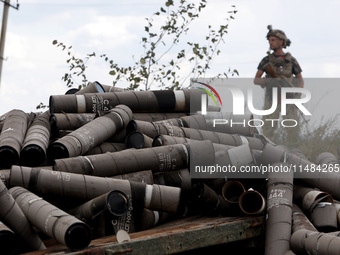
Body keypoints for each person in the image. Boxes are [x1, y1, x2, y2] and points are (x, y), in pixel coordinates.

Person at [254, 25, 304, 145]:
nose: (270, 43)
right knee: (267, 129)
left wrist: (297, 93)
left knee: (292, 129)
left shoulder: (291, 61)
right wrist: (270, 81)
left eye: (273, 40)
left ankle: (293, 155)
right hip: (272, 98)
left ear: (281, 42)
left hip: (289, 99)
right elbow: (256, 80)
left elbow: (300, 79)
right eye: (269, 40)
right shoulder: (266, 60)